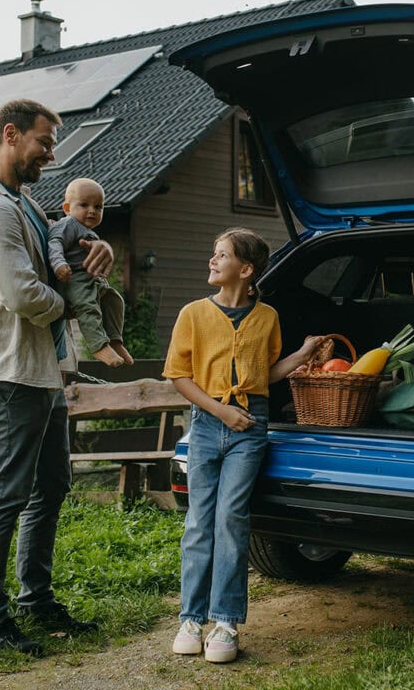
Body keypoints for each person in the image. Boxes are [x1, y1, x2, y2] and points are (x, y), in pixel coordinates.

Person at [0, 99, 112, 655]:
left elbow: (63, 242)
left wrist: (101, 250)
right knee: (7, 493)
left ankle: (35, 599)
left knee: (51, 487)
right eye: (45, 143)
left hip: (44, 371)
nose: (51, 154)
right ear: (9, 134)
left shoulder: (20, 199)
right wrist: (74, 309)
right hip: (8, 372)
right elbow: (23, 295)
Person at [162, 227, 322, 664]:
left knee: (232, 518)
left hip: (251, 426)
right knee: (199, 522)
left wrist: (303, 354)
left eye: (221, 255)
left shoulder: (267, 317)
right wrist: (220, 412)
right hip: (208, 424)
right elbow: (179, 376)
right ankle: (191, 618)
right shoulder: (193, 314)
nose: (212, 261)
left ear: (246, 269)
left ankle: (225, 622)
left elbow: (265, 372)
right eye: (214, 254)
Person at [48, 177, 133, 367]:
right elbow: (54, 244)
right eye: (84, 205)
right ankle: (98, 346)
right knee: (88, 307)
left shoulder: (87, 229)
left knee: (114, 300)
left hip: (91, 278)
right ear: (67, 208)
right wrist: (59, 264)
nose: (92, 210)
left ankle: (115, 340)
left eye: (98, 207)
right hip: (74, 278)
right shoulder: (68, 224)